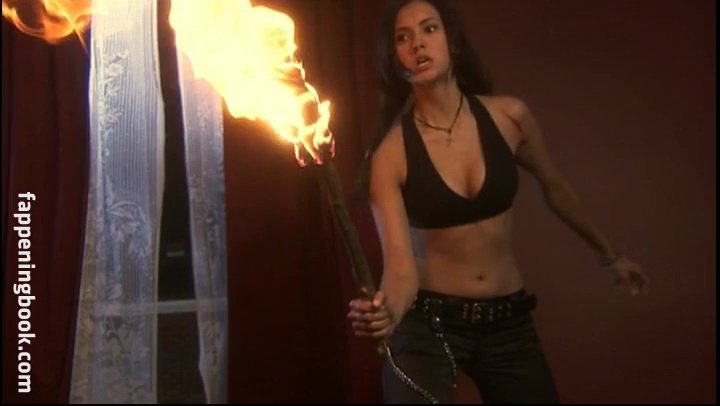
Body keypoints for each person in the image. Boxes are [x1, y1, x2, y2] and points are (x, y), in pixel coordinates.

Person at [347, 0, 649, 403]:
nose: (417, 43)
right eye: (403, 38)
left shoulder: (509, 118)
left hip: (507, 321)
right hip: (430, 325)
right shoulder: (390, 155)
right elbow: (401, 270)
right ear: (395, 58)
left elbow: (556, 188)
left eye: (429, 29)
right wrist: (387, 313)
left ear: (452, 41)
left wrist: (611, 256)